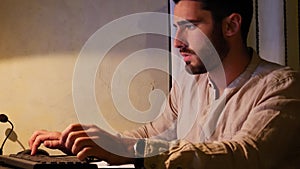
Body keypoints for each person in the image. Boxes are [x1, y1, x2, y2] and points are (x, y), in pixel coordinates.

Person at [29, 0, 300, 168]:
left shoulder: (280, 87)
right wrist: (87, 143)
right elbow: (153, 135)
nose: (177, 41)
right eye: (176, 27)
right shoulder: (189, 83)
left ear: (231, 26)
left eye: (190, 26)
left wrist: (129, 151)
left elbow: (242, 155)